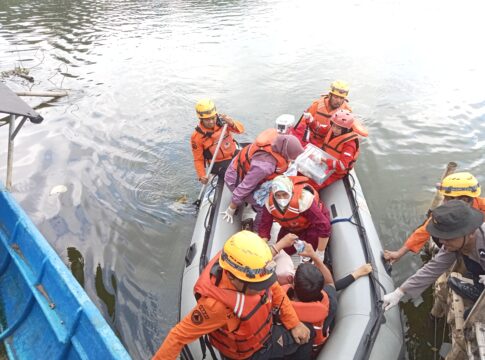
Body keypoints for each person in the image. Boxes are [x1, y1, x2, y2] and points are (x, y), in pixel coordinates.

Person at [153, 231, 314, 360]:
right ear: (231, 276)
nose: (261, 290)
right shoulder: (215, 307)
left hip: (262, 329)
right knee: (310, 333)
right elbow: (178, 336)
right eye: (256, 287)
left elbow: (276, 290)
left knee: (302, 328)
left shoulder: (254, 271)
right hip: (252, 352)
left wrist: (293, 323)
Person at [382, 200, 485, 359]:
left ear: (470, 232)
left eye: (448, 238)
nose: (442, 242)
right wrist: (399, 292)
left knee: (472, 317)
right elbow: (432, 269)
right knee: (466, 311)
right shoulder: (455, 245)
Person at [268, 238, 372, 356]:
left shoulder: (277, 303)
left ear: (293, 282)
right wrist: (315, 256)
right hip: (314, 349)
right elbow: (331, 285)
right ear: (320, 288)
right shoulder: (329, 303)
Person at [384, 172, 485, 263]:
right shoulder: (446, 213)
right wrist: (399, 253)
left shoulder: (482, 207)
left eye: (447, 198)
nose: (443, 202)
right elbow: (422, 232)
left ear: (464, 200)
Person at [222, 129, 304, 230]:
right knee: (265, 206)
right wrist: (232, 207)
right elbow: (245, 186)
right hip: (235, 180)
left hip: (243, 169)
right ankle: (257, 230)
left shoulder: (276, 140)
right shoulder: (265, 165)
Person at [258, 175, 331, 260]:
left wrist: (320, 253)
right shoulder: (269, 204)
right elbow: (264, 228)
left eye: (285, 194)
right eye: (278, 195)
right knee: (282, 249)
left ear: (290, 191)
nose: (282, 198)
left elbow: (324, 226)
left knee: (311, 252)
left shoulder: (303, 201)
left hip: (310, 226)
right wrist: (260, 251)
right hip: (290, 229)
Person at [307, 110, 367, 190]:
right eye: (333, 125)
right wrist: (311, 120)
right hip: (325, 161)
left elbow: (342, 165)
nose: (335, 129)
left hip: (335, 172)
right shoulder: (332, 129)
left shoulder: (350, 144)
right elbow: (320, 129)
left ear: (346, 129)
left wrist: (322, 160)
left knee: (312, 185)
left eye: (338, 128)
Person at [191, 99, 244, 184]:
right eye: (207, 119)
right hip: (218, 163)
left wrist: (232, 123)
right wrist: (201, 176)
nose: (211, 121)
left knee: (251, 160)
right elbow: (198, 159)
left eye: (213, 118)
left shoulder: (224, 122)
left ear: (216, 115)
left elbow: (241, 130)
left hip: (233, 154)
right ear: (201, 119)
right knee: (235, 172)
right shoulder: (197, 137)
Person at [292, 80, 353, 146]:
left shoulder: (347, 112)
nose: (338, 101)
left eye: (341, 98)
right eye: (336, 97)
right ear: (330, 95)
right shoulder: (317, 105)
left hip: (327, 144)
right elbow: (303, 123)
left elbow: (347, 133)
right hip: (311, 138)